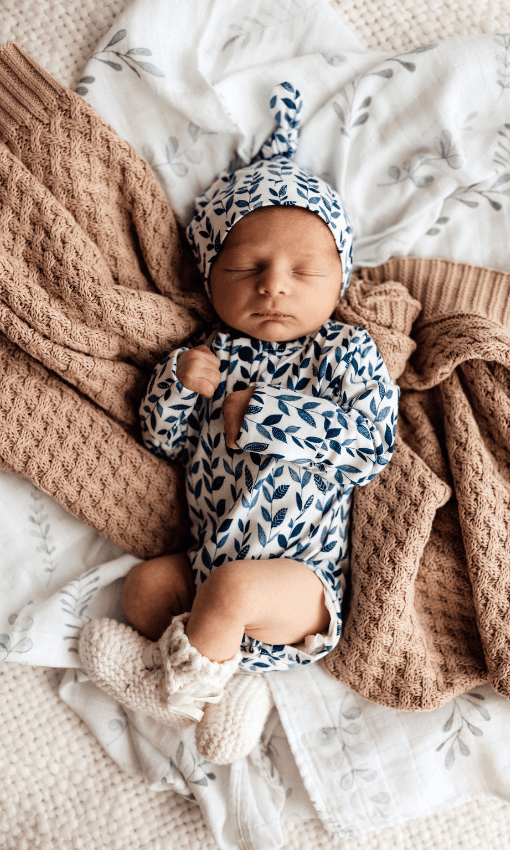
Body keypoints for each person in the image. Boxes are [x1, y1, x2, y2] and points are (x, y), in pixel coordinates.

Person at [79, 82, 399, 763]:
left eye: (303, 270)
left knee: (234, 589)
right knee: (145, 589)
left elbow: (371, 447)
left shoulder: (345, 352)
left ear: (339, 280)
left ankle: (170, 696)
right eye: (249, 266)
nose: (273, 284)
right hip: (205, 570)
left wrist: (269, 415)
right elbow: (161, 442)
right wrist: (175, 385)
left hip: (301, 580)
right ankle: (232, 687)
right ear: (210, 275)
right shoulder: (209, 354)